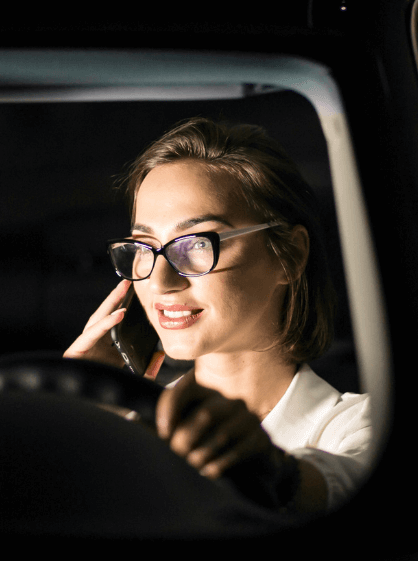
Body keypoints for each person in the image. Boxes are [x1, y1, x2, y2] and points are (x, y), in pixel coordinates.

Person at [64, 117, 371, 513]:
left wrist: (266, 470)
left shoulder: (362, 426)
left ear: (289, 255)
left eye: (195, 244)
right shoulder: (122, 426)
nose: (160, 282)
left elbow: (345, 487)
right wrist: (78, 424)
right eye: (144, 247)